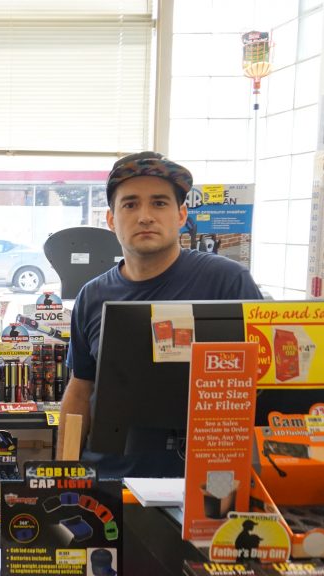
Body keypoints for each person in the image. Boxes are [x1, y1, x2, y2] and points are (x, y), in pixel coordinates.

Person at [58, 151, 263, 478]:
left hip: (203, 483)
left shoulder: (226, 281)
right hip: (110, 481)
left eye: (159, 203)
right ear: (111, 220)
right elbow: (80, 389)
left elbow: (263, 382)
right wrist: (62, 476)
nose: (145, 216)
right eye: (130, 204)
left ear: (181, 215)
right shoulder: (92, 296)